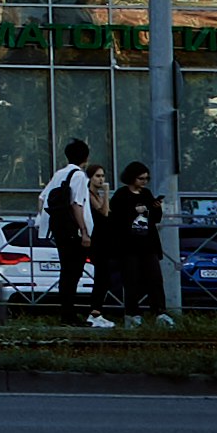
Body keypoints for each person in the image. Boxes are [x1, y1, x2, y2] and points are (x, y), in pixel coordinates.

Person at [40, 138, 99, 324]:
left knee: (66, 273)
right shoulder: (80, 176)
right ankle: (70, 316)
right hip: (74, 231)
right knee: (73, 273)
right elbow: (77, 204)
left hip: (60, 230)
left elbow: (42, 198)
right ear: (86, 157)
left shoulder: (60, 173)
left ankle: (66, 314)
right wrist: (84, 232)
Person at [102, 162, 165, 322]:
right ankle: (132, 312)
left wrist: (156, 207)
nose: (144, 181)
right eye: (140, 178)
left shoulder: (147, 193)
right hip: (128, 245)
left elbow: (155, 218)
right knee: (131, 279)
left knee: (155, 278)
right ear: (132, 178)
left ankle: (159, 311)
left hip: (148, 243)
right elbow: (114, 218)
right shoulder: (122, 195)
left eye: (146, 178)